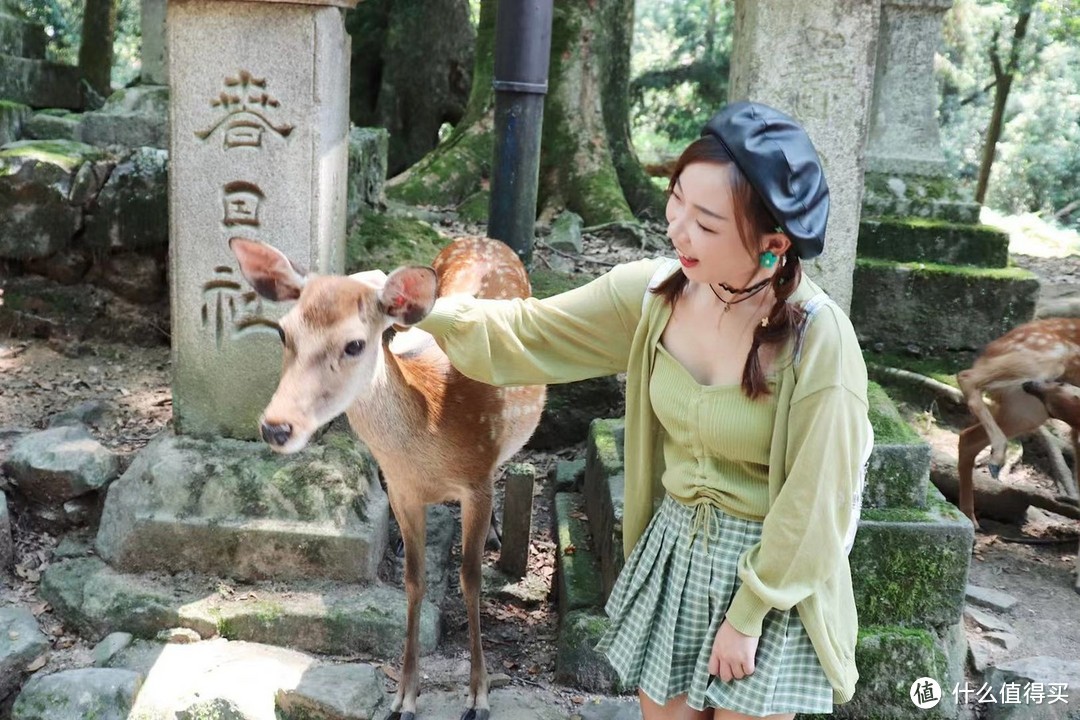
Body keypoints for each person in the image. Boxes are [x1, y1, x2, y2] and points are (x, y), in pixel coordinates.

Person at [414, 100, 872, 719]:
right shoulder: (656, 295)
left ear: (773, 244)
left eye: (707, 224)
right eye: (677, 199)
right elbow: (528, 333)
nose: (678, 228)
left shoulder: (821, 341)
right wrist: (413, 310)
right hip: (677, 558)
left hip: (772, 582)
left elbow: (819, 499)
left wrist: (750, 611)